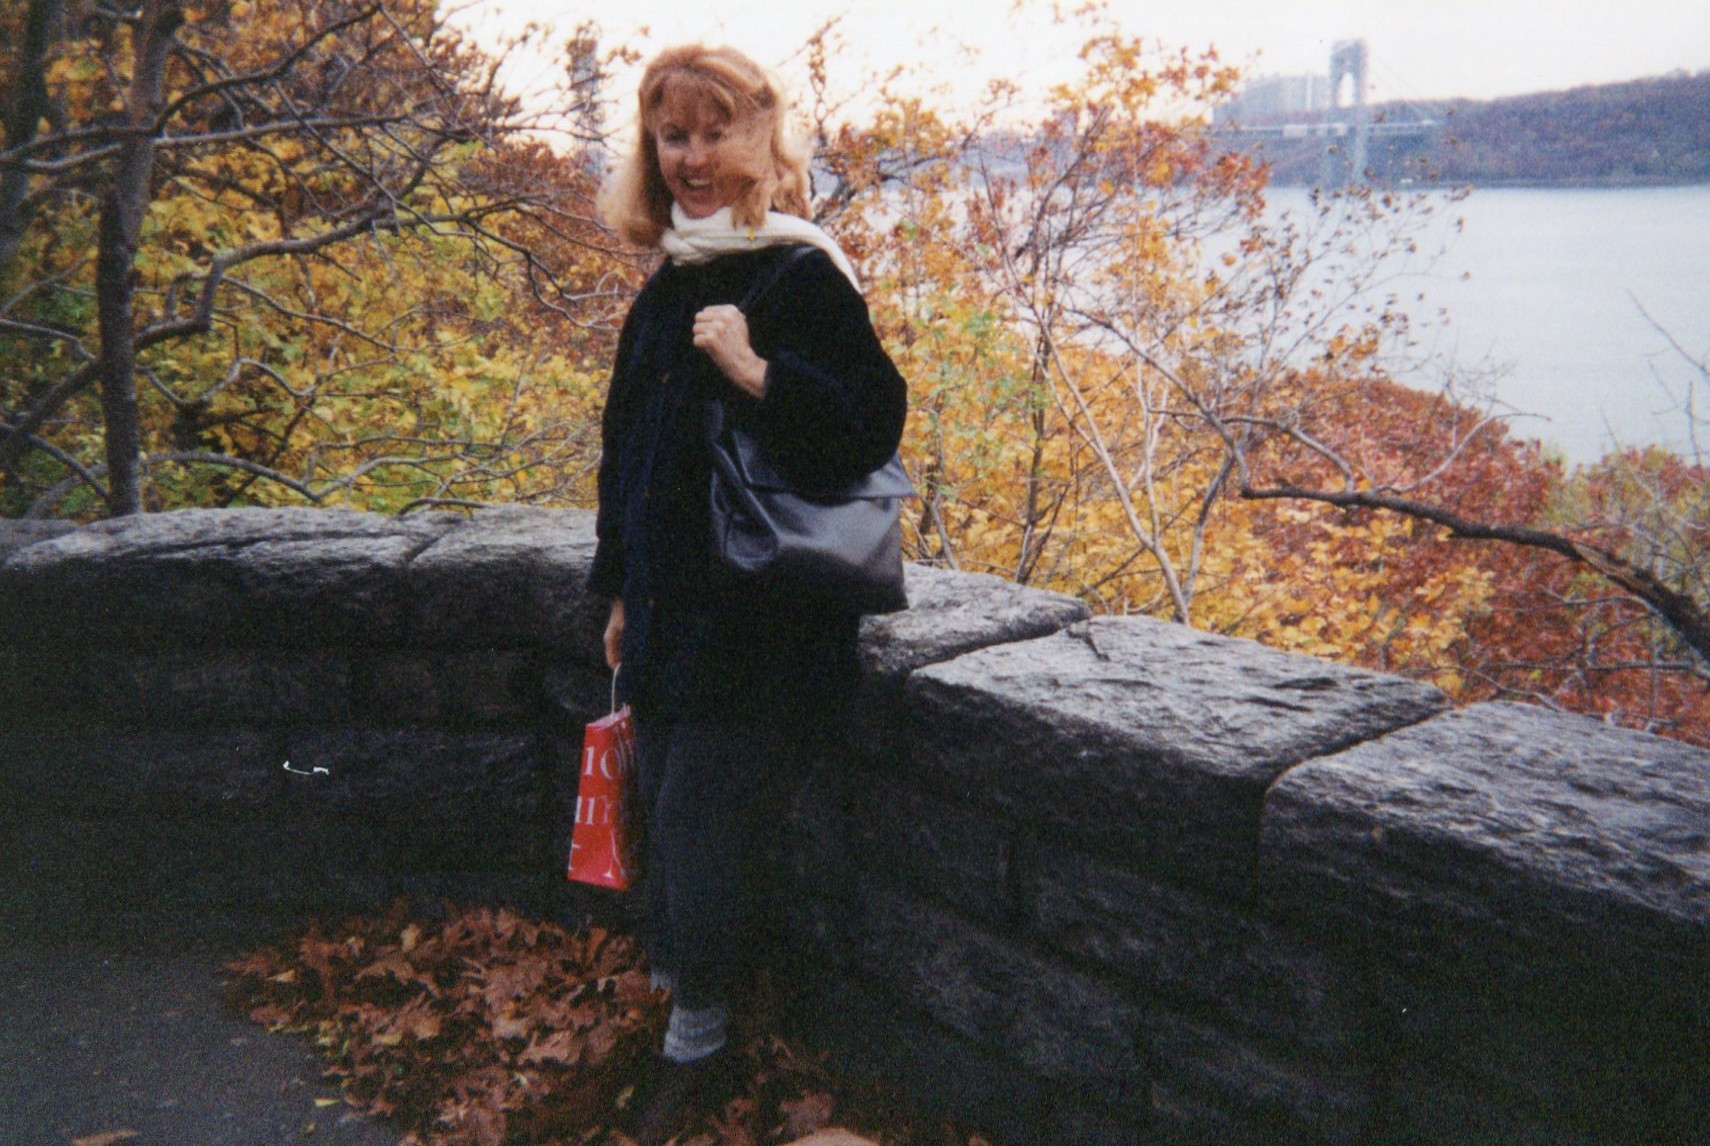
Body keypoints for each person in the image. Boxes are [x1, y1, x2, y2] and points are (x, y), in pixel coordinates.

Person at [589, 43, 908, 1143]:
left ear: (762, 138)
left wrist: (759, 372)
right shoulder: (670, 279)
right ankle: (688, 1000)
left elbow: (871, 425)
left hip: (767, 627)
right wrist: (616, 592)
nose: (692, 157)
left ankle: (701, 1042)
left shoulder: (799, 273)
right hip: (672, 619)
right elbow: (626, 457)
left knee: (697, 824)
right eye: (672, 134)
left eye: (714, 131)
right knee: (672, 817)